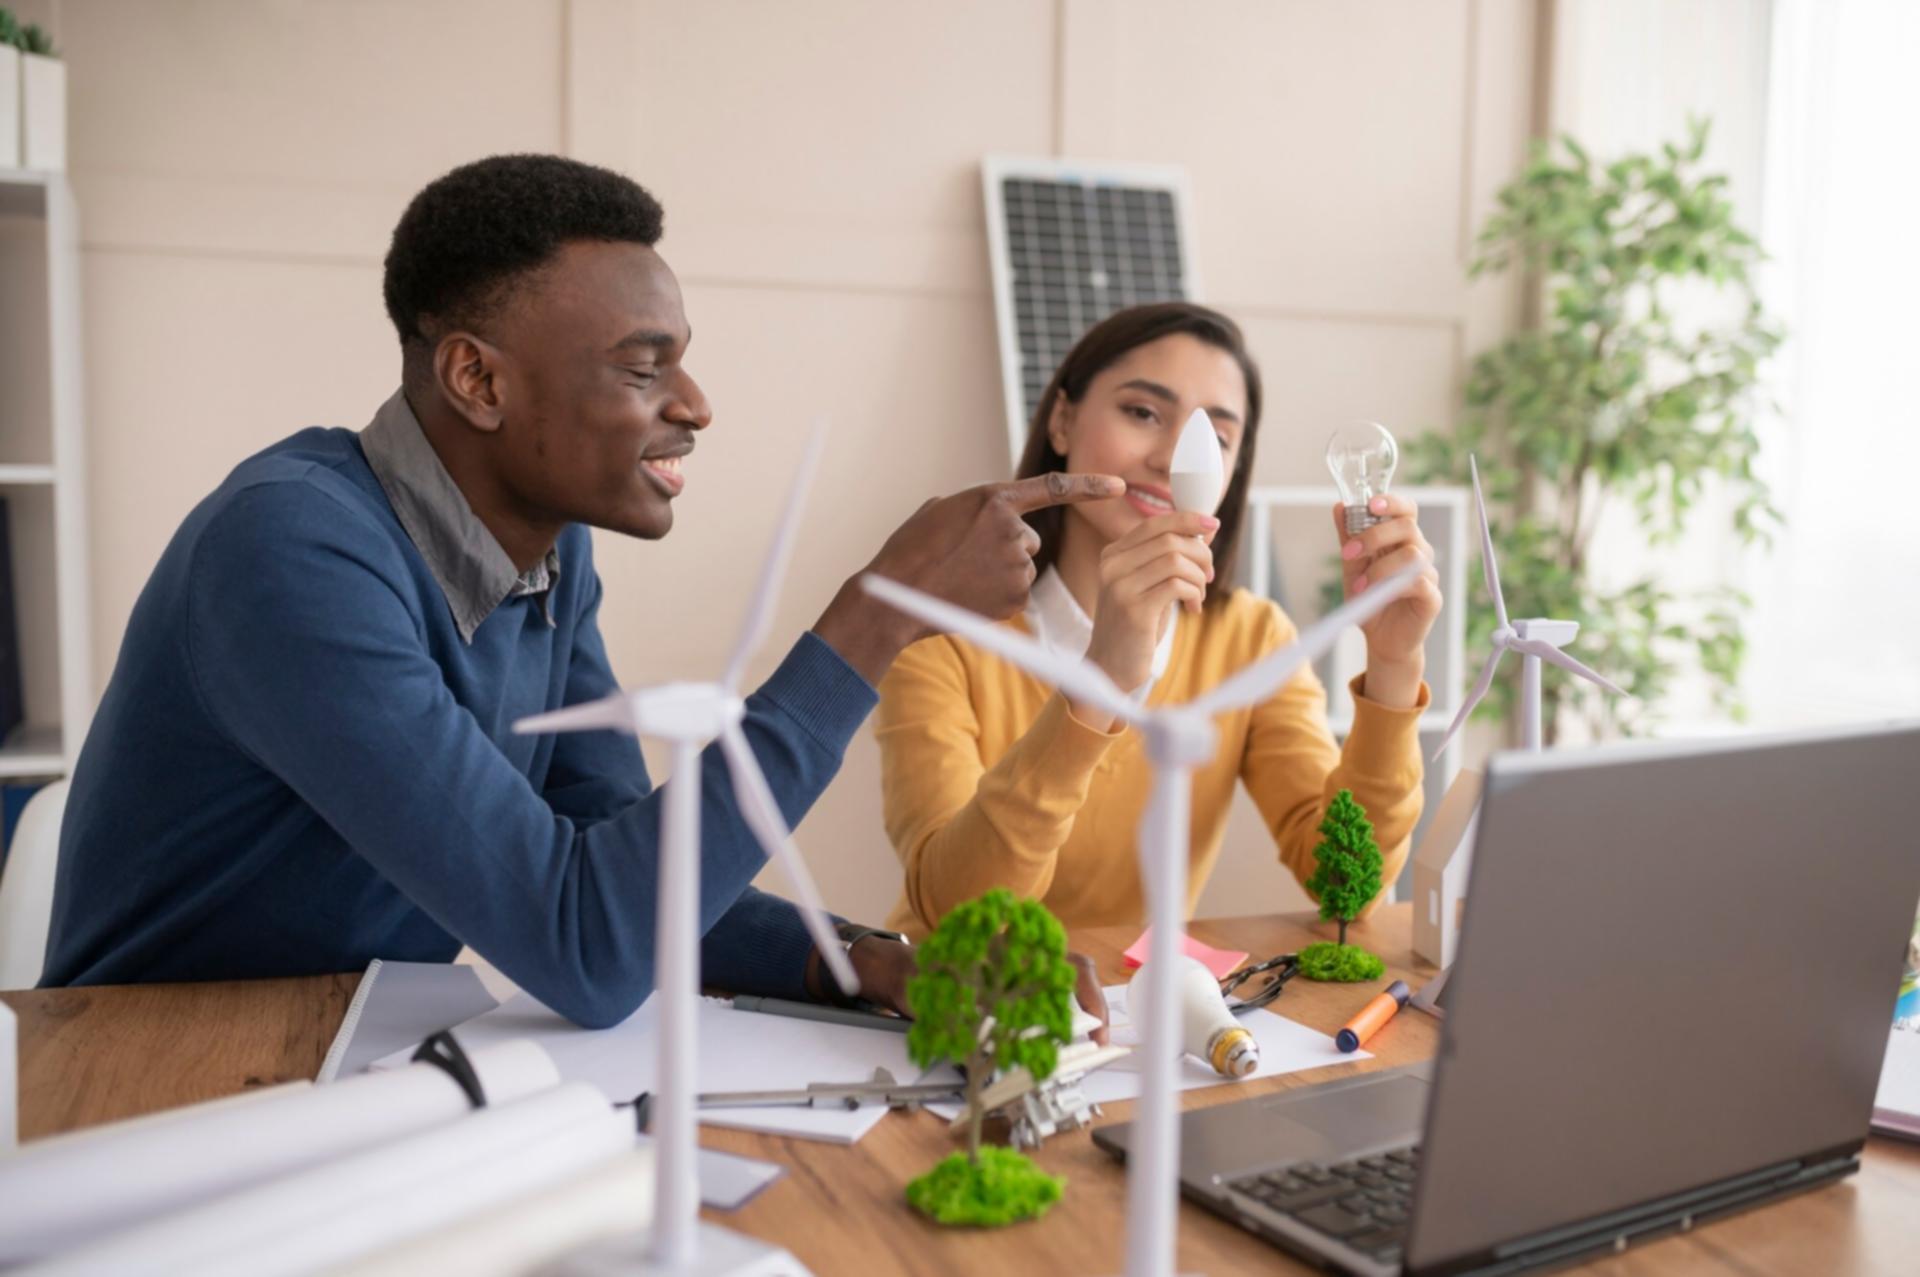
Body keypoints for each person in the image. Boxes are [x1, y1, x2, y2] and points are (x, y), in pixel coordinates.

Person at [39, 154, 1119, 1029]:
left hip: (339, 1064)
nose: (695, 404)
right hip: (145, 1090)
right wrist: (879, 612)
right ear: (480, 379)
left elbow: (631, 885)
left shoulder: (552, 559)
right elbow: (588, 947)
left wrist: (877, 961)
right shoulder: (289, 552)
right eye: (645, 368)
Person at [875, 302, 1444, 938]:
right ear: (1062, 420)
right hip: (950, 1016)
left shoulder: (1251, 641)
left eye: (1216, 439)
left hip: (1146, 1020)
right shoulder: (943, 638)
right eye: (1143, 413)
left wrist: (1394, 664)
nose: (1176, 459)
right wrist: (1102, 683)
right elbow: (961, 912)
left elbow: (1348, 890)